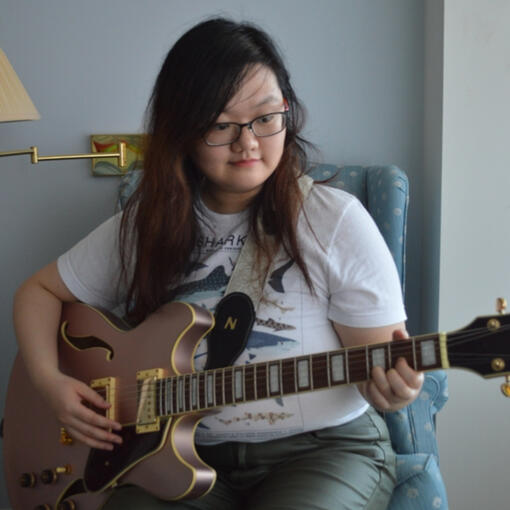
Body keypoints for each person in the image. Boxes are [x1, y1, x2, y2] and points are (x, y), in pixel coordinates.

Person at [13, 17, 423, 510]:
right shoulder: (148, 224)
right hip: (176, 455)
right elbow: (38, 292)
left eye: (266, 118)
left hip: (322, 451)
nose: (248, 142)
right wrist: (50, 382)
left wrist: (392, 389)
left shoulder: (334, 220)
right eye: (221, 125)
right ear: (183, 131)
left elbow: (375, 365)